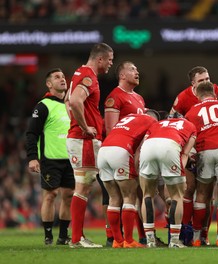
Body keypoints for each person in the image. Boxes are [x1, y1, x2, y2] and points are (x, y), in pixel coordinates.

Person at [66, 42, 114, 248]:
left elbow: (69, 102)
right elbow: (75, 102)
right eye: (110, 60)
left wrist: (77, 122)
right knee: (83, 186)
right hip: (83, 139)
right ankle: (76, 239)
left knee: (84, 185)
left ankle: (77, 237)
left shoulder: (80, 73)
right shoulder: (88, 76)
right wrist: (85, 126)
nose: (111, 64)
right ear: (100, 59)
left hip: (80, 137)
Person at [169, 66, 218, 245]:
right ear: (193, 83)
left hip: (209, 148)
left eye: (208, 78)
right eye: (201, 80)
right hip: (190, 149)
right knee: (189, 188)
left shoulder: (217, 92)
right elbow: (172, 122)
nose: (206, 82)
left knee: (208, 195)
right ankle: (186, 231)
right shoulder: (183, 98)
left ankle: (203, 235)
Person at [100, 61, 147, 246]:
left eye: (137, 69)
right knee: (129, 195)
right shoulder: (115, 97)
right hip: (122, 151)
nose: (137, 72)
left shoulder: (139, 98)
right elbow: (111, 129)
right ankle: (126, 239)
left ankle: (123, 239)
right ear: (121, 75)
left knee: (124, 196)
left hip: (126, 152)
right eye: (132, 69)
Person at [26, 68, 75, 246]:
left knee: (69, 195)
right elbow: (31, 133)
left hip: (70, 158)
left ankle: (63, 236)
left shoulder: (72, 105)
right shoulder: (43, 105)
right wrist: (32, 157)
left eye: (63, 76)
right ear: (49, 84)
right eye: (56, 77)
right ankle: (48, 236)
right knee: (50, 195)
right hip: (50, 158)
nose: (62, 79)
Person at [185, 81, 218, 247]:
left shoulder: (192, 112)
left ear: (197, 95)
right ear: (214, 93)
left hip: (204, 151)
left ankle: (196, 238)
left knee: (201, 195)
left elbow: (188, 136)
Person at [97, 113, 158, 248]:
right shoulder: (153, 122)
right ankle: (129, 240)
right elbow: (142, 149)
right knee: (129, 196)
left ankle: (117, 240)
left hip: (103, 151)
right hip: (121, 151)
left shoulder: (128, 117)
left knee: (113, 198)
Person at [139, 115, 197, 248]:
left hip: (148, 148)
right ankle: (175, 241)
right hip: (170, 146)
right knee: (177, 196)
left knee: (147, 194)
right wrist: (177, 175)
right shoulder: (190, 126)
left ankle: (150, 240)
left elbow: (144, 144)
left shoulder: (157, 124)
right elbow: (185, 154)